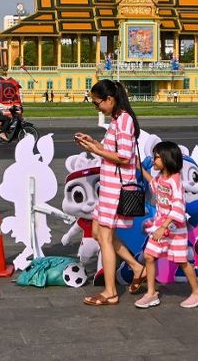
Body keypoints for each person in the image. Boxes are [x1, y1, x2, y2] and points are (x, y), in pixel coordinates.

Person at [75, 79, 145, 306]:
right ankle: (137, 267)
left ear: (110, 100)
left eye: (97, 103)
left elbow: (124, 156)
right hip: (109, 186)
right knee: (98, 233)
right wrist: (93, 143)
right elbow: (114, 151)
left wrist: (96, 149)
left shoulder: (123, 120)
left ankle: (110, 292)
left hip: (115, 188)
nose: (97, 108)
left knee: (104, 236)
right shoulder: (118, 120)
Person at [134, 141, 198, 309]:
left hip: (175, 230)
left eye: (157, 157)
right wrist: (140, 169)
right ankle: (151, 293)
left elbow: (178, 209)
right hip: (161, 227)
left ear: (167, 159)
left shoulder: (175, 181)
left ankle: (197, 293)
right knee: (149, 256)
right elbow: (154, 184)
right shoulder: (162, 178)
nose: (154, 160)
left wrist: (163, 227)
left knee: (182, 261)